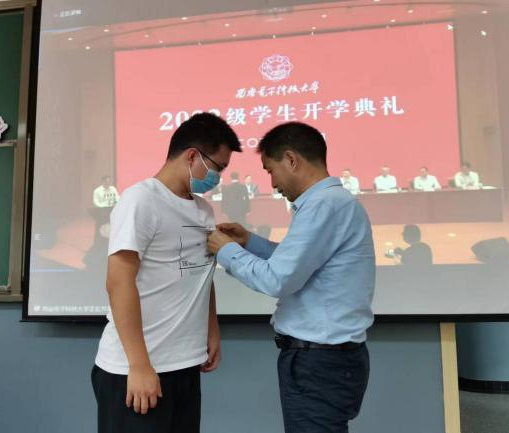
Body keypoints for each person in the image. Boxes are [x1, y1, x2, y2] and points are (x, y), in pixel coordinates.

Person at [207, 122, 375, 433]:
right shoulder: (330, 203)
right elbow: (299, 264)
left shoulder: (324, 205)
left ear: (291, 160)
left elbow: (278, 279)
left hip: (319, 362)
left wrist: (226, 251)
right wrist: (249, 242)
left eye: (271, 171)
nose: (272, 184)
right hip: (324, 360)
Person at [91, 113, 241, 433]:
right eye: (217, 168)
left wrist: (211, 329)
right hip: (136, 369)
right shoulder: (140, 200)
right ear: (192, 156)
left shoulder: (203, 210)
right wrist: (139, 364)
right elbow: (118, 282)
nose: (218, 177)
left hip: (184, 364)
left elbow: (201, 276)